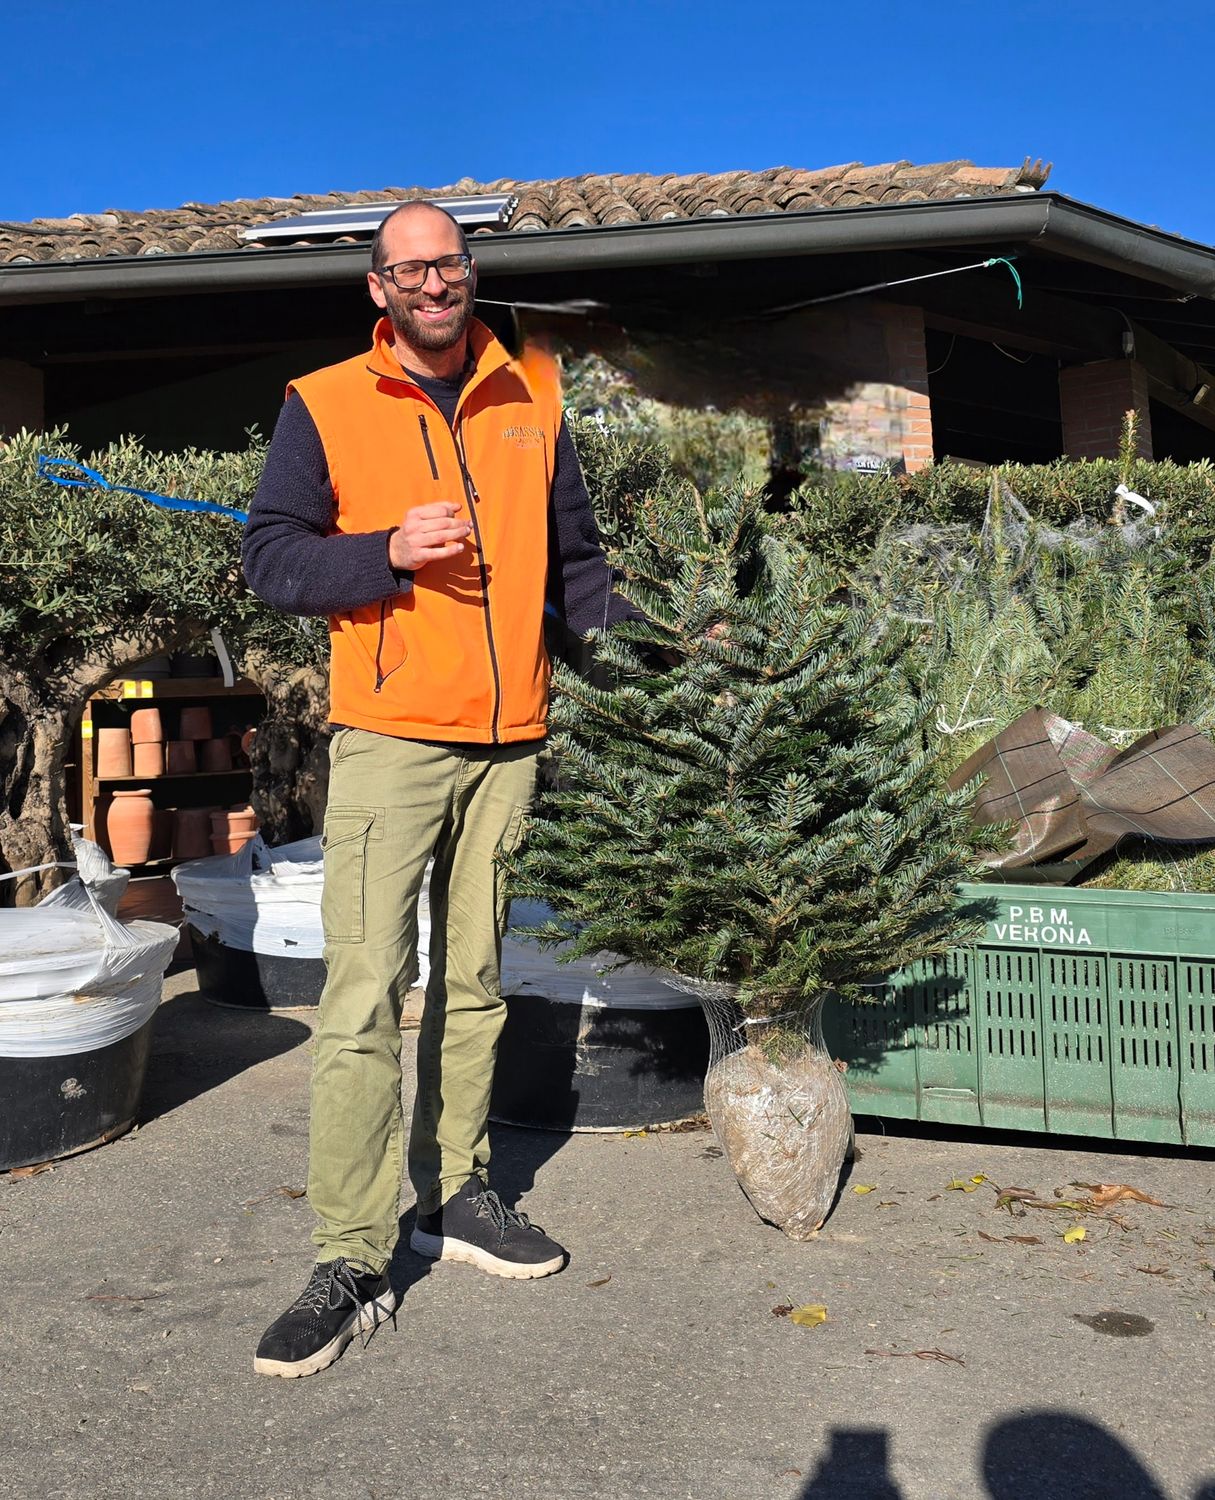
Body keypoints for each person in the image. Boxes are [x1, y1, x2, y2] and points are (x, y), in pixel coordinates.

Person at [241, 201, 638, 1379]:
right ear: (378, 289)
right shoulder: (325, 403)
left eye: (450, 263)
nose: (434, 281)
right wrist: (382, 556)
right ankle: (352, 1253)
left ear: (471, 275)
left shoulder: (534, 400)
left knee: (475, 981)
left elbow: (577, 570)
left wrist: (651, 660)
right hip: (392, 737)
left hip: (513, 739)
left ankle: (456, 1195)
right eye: (410, 267)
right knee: (363, 993)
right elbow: (269, 557)